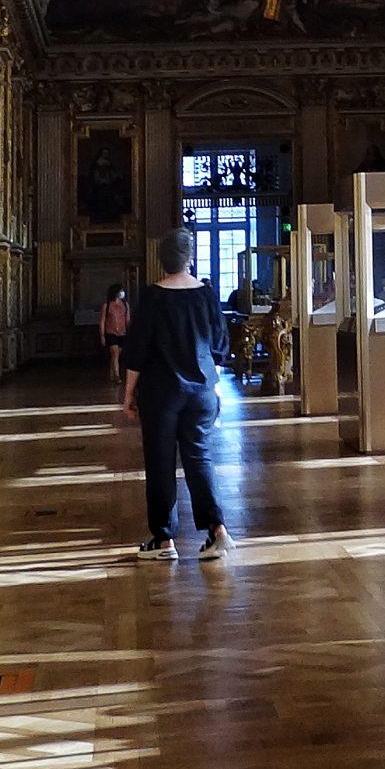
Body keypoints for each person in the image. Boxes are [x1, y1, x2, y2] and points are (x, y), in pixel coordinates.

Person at [119, 229, 234, 562]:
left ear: (161, 260)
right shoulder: (207, 295)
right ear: (191, 258)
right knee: (199, 458)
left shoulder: (152, 297)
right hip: (201, 393)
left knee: (160, 462)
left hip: (162, 392)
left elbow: (137, 351)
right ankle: (217, 531)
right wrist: (215, 388)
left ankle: (164, 540)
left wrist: (129, 395)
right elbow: (218, 347)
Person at [99, 284, 130, 387]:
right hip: (111, 333)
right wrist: (102, 335)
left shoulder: (125, 305)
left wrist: (130, 332)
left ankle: (111, 373)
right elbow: (103, 321)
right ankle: (117, 376)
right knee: (115, 353)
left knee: (116, 355)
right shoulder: (106, 305)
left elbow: (128, 320)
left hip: (122, 333)